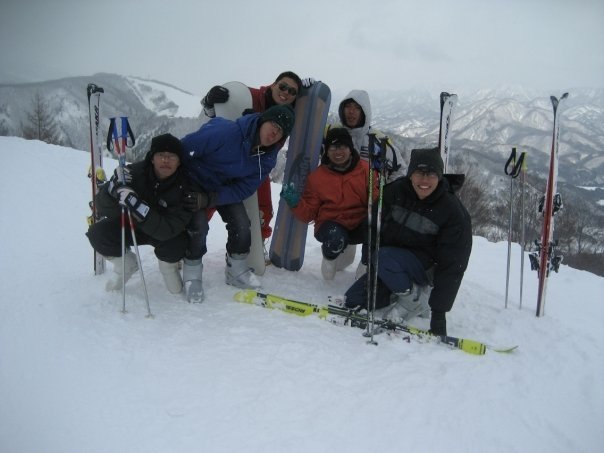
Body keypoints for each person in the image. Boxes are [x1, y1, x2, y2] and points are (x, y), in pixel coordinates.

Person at [343, 147, 472, 336]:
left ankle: (415, 300)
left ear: (440, 176)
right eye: (419, 173)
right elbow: (371, 227)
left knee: (383, 257)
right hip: (392, 261)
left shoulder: (453, 212)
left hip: (424, 267)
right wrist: (358, 250)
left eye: (431, 174)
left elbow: (453, 264)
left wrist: (439, 312)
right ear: (411, 174)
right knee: (354, 299)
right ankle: (401, 288)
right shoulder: (395, 192)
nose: (425, 180)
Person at [181, 104, 296, 303]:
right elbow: (184, 148)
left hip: (222, 187)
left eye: (281, 131)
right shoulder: (226, 132)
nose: (275, 133)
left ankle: (236, 270)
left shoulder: (267, 159)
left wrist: (212, 198)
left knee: (242, 225)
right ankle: (192, 273)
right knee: (198, 226)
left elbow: (244, 188)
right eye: (273, 125)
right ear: (262, 120)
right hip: (193, 181)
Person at [201, 71, 304, 247]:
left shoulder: (290, 115)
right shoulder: (250, 96)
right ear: (273, 85)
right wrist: (209, 102)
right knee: (206, 201)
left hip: (255, 164)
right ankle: (188, 243)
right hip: (226, 161)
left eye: (292, 92)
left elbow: (312, 114)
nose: (286, 92)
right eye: (283, 87)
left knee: (263, 208)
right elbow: (222, 113)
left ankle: (256, 245)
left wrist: (311, 87)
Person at [86, 133, 192, 294]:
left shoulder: (186, 185)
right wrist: (110, 190)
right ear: (152, 158)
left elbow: (168, 229)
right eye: (160, 155)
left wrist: (138, 207)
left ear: (179, 161)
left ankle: (169, 268)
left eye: (171, 156)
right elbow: (103, 207)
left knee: (178, 244)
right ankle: (127, 264)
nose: (165, 160)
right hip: (131, 226)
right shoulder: (132, 173)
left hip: (164, 234)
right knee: (98, 233)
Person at [281, 127, 377, 280]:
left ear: (350, 148)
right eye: (333, 147)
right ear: (327, 150)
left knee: (376, 229)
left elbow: (376, 201)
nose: (338, 152)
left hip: (359, 222)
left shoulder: (366, 170)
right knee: (335, 238)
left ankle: (366, 266)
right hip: (331, 222)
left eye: (342, 147)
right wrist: (295, 202)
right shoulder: (317, 177)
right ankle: (329, 260)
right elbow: (309, 213)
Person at [331, 89, 406, 277]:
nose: (351, 111)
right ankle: (340, 253)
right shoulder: (333, 134)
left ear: (365, 111)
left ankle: (367, 263)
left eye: (357, 108)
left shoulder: (378, 140)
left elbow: (400, 169)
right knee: (336, 251)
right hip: (340, 203)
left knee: (372, 228)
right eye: (348, 106)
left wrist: (388, 193)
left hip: (370, 202)